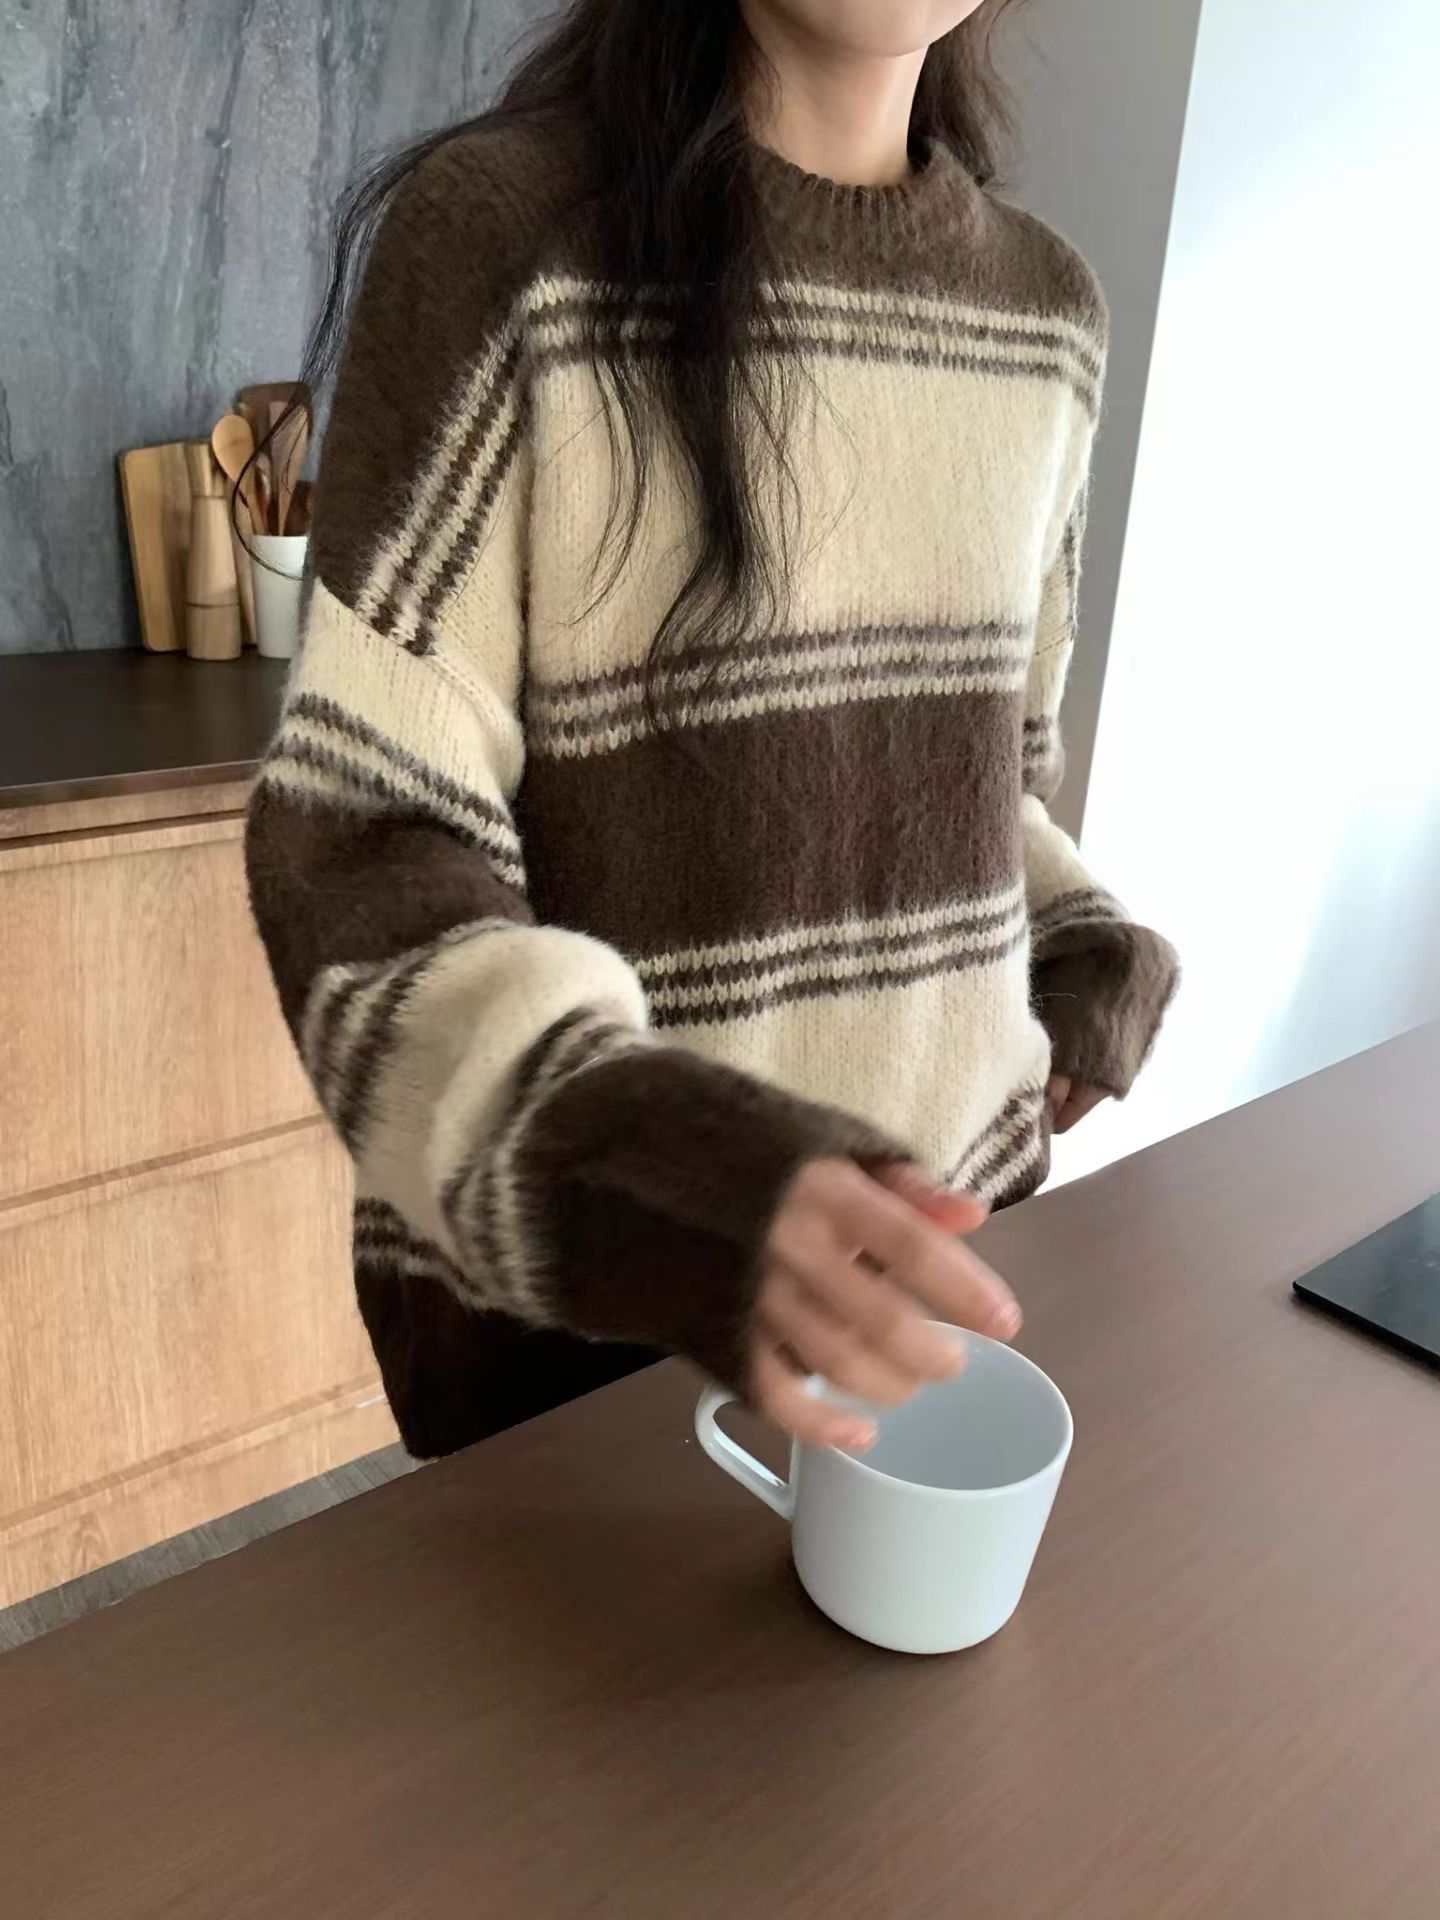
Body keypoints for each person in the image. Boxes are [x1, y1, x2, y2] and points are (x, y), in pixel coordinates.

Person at [245, 0, 1177, 1461]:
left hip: (943, 1274)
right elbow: (367, 837)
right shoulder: (509, 243)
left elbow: (974, 782)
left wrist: (1079, 931)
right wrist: (665, 1175)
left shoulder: (1047, 317)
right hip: (595, 1349)